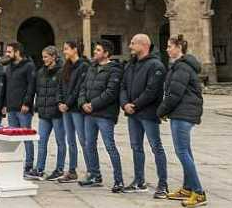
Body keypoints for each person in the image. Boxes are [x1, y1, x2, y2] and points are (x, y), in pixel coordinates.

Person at [157, 34, 207, 208]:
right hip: (182, 112)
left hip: (183, 113)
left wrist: (161, 111)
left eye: (170, 46)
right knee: (186, 151)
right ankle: (187, 187)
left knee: (182, 152)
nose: (167, 49)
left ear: (179, 48)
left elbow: (175, 94)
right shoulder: (179, 66)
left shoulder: (182, 68)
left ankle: (199, 192)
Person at [120, 33, 169, 197]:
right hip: (132, 114)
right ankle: (139, 181)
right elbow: (123, 87)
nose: (130, 46)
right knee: (136, 147)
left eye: (133, 43)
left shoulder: (156, 66)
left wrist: (135, 105)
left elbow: (152, 90)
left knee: (156, 147)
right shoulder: (130, 65)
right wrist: (125, 104)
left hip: (147, 113)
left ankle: (163, 184)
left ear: (143, 45)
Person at [78, 39, 125, 193]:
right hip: (89, 114)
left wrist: (93, 104)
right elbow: (83, 87)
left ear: (106, 53)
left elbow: (111, 92)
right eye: (95, 50)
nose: (95, 52)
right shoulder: (92, 68)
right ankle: (95, 176)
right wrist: (83, 102)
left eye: (98, 50)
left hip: (104, 114)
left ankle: (119, 180)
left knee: (109, 146)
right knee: (89, 144)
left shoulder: (115, 70)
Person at [29, 45, 66, 181]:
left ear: (54, 57)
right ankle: (39, 168)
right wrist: (37, 106)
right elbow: (38, 91)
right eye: (43, 57)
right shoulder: (40, 72)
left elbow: (62, 91)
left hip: (57, 113)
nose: (43, 59)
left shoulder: (62, 71)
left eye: (46, 57)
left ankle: (60, 168)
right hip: (44, 113)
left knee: (60, 141)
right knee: (42, 141)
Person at [57, 40, 88, 184]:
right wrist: (60, 102)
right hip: (66, 109)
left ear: (75, 50)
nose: (64, 51)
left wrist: (67, 104)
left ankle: (91, 170)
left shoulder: (83, 66)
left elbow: (78, 88)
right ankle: (72, 170)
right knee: (70, 140)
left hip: (76, 108)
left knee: (83, 140)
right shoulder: (66, 66)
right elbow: (60, 86)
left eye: (67, 49)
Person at [2, 42, 36, 176]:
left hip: (23, 109)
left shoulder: (28, 66)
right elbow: (6, 87)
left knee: (27, 137)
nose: (7, 54)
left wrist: (27, 103)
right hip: (11, 107)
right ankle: (14, 163)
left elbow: (31, 86)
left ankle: (28, 165)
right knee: (13, 138)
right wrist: (4, 105)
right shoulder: (8, 67)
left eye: (9, 52)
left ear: (17, 52)